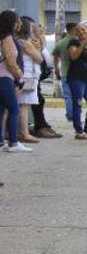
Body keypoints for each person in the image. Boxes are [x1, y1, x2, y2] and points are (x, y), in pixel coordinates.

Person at [0, 10, 31, 152]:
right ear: (11, 23)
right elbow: (11, 63)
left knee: (1, 110)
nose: (19, 24)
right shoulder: (7, 38)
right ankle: (13, 142)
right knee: (14, 109)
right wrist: (19, 76)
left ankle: (1, 142)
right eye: (17, 21)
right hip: (5, 78)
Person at [64, 23, 87, 140]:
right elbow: (73, 56)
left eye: (84, 30)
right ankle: (79, 131)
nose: (81, 32)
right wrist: (83, 44)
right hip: (76, 77)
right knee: (78, 103)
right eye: (79, 30)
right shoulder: (73, 43)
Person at [15, 17, 44, 145]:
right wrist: (37, 48)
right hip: (27, 76)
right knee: (24, 105)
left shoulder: (15, 41)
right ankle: (24, 133)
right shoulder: (25, 43)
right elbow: (39, 59)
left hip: (20, 75)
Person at [51, 22, 79, 127]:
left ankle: (70, 115)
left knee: (68, 96)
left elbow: (55, 57)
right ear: (73, 29)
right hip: (77, 73)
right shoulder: (78, 42)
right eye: (77, 29)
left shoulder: (61, 43)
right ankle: (75, 115)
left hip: (65, 72)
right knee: (76, 96)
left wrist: (56, 69)